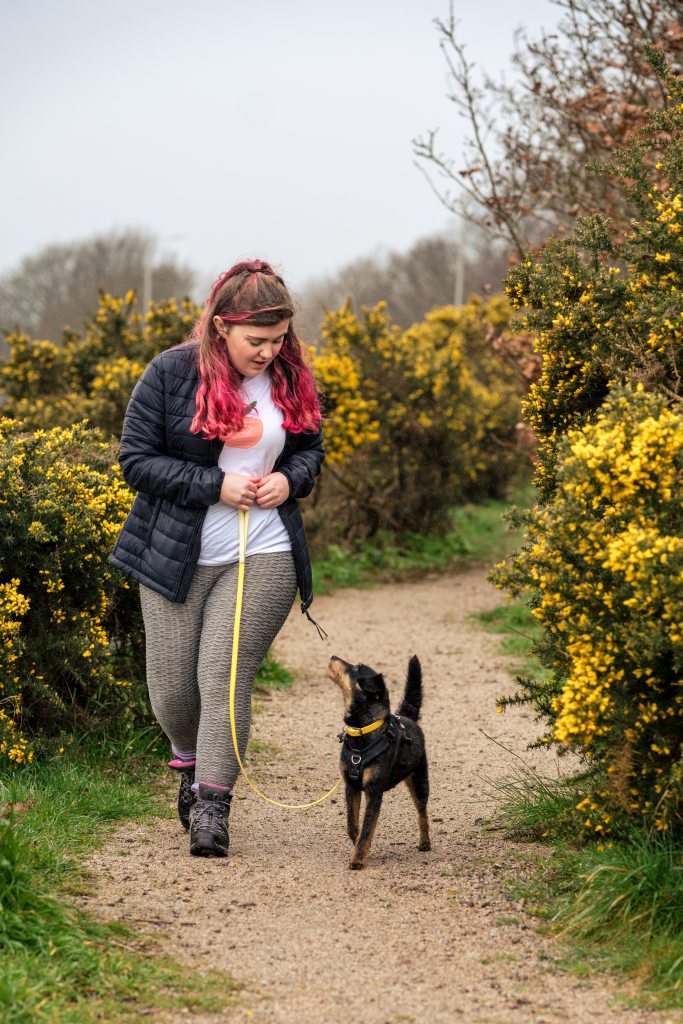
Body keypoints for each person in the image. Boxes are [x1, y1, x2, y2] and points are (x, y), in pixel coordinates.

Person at [110, 260, 325, 857]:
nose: (268, 352)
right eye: (256, 341)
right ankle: (188, 762)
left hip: (265, 551)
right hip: (171, 555)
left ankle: (213, 807)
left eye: (279, 339)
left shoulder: (290, 375)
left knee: (223, 677)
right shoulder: (170, 372)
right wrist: (214, 484)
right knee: (175, 692)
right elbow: (135, 459)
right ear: (220, 328)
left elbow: (310, 447)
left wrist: (290, 480)